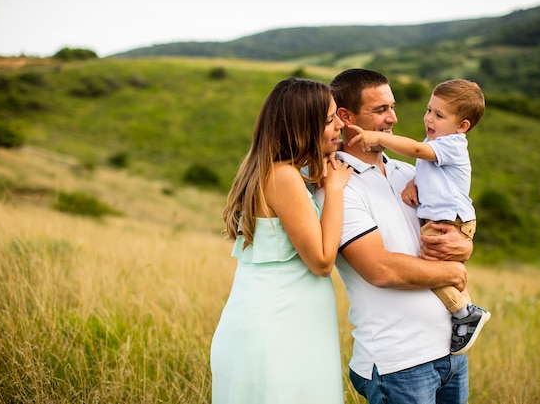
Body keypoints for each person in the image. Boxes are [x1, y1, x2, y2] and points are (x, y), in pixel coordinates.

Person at [315, 69, 473, 404]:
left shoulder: (410, 173)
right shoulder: (336, 189)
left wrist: (465, 244)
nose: (393, 119)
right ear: (346, 117)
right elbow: (380, 269)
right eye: (380, 110)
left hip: (451, 355)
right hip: (398, 364)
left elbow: (449, 227)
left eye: (393, 107)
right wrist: (454, 272)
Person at [210, 77, 353, 404]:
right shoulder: (284, 176)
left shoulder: (268, 169)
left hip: (276, 326)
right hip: (279, 332)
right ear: (304, 126)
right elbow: (321, 261)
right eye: (330, 120)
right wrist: (334, 190)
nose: (340, 125)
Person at [346, 78, 491, 355]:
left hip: (449, 220)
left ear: (462, 127)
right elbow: (428, 169)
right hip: (397, 353)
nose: (429, 118)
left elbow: (415, 150)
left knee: (431, 264)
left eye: (439, 115)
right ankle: (464, 311)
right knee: (435, 267)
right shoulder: (342, 185)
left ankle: (464, 312)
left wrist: (377, 137)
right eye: (429, 110)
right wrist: (415, 184)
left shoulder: (452, 144)